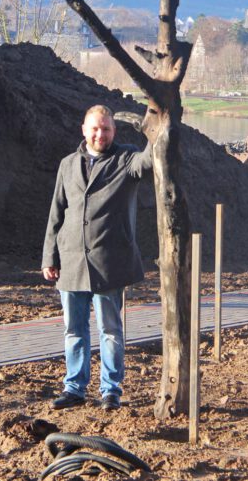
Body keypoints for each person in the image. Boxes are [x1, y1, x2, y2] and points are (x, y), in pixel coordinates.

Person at [42, 104, 152, 411]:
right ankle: (74, 388)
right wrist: (49, 257)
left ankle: (110, 390)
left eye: (105, 129)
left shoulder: (126, 159)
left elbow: (151, 160)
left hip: (109, 263)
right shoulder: (67, 164)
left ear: (114, 131)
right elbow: (57, 212)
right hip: (72, 261)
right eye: (94, 128)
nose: (99, 134)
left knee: (110, 330)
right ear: (83, 130)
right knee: (74, 330)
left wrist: (156, 130)